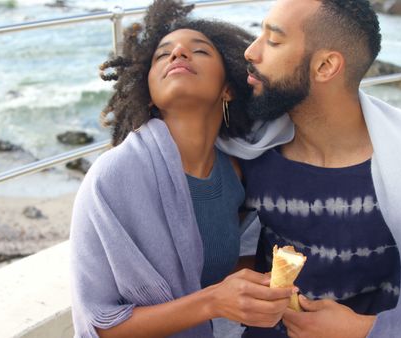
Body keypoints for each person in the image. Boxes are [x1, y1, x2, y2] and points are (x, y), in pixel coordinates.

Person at [216, 0, 401, 337]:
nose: (251, 51)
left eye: (274, 41)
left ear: (325, 66)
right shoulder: (252, 150)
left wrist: (363, 329)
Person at [69, 1, 296, 337]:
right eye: (163, 54)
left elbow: (223, 269)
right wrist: (213, 302)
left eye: (199, 51)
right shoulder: (113, 176)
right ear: (149, 94)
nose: (177, 54)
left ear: (228, 88)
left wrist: (262, 294)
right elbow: (100, 325)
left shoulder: (234, 175)